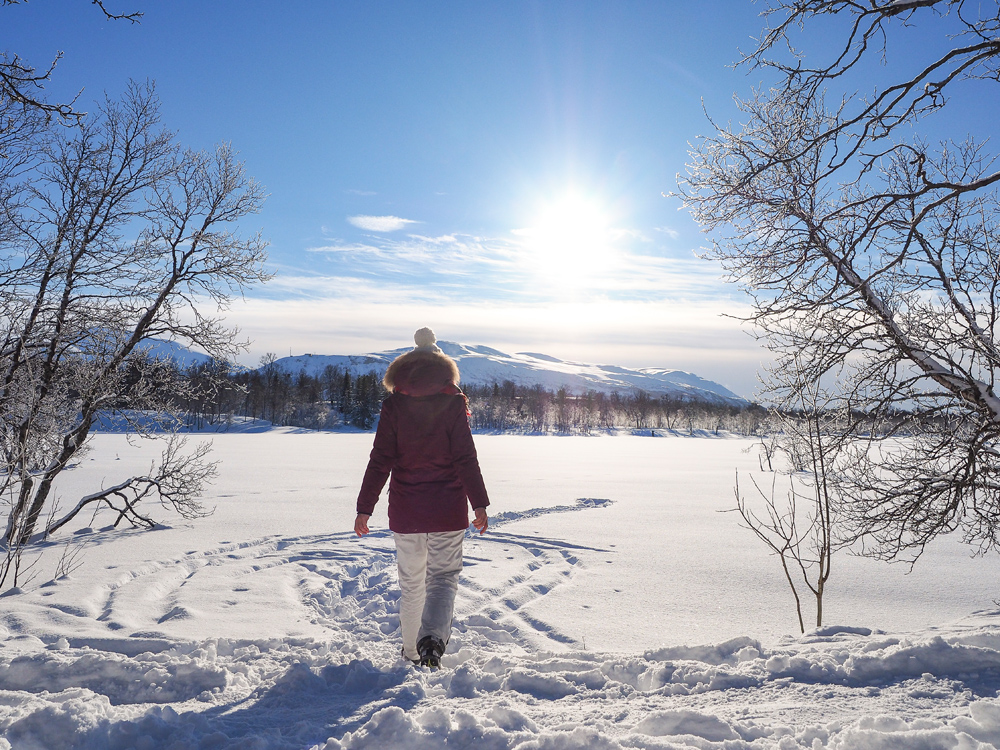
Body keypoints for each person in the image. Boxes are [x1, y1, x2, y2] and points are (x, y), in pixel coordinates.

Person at [354, 327, 490, 669]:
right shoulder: (454, 404)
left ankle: (413, 652)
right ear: (443, 369)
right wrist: (479, 503)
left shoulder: (395, 406)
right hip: (447, 511)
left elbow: (380, 458)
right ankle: (432, 639)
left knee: (412, 584)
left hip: (407, 512)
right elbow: (465, 458)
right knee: (443, 579)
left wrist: (364, 508)